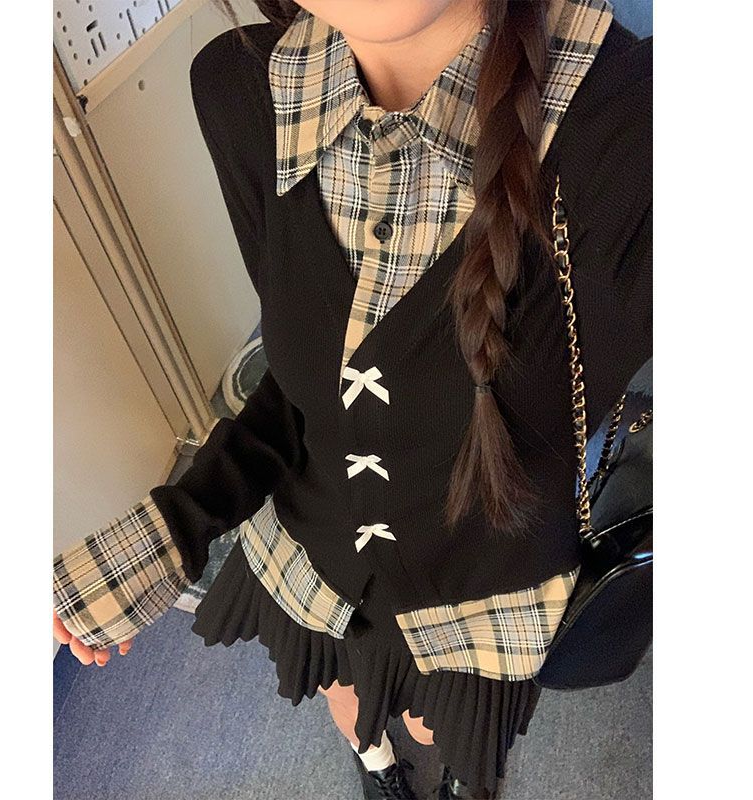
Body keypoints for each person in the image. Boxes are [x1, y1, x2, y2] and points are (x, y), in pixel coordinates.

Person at [53, 1, 652, 797]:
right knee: (346, 693)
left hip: (479, 601)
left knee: (451, 736)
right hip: (317, 562)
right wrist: (168, 534)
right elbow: (306, 389)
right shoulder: (241, 88)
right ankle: (377, 768)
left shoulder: (636, 133)